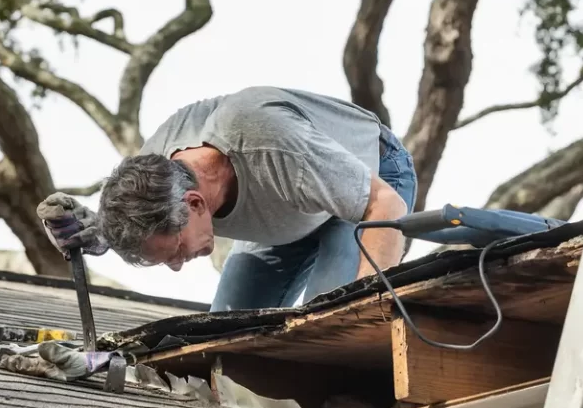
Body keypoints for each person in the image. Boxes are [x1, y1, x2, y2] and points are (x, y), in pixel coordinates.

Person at [36, 86, 418, 312]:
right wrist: (92, 233)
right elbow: (135, 227)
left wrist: (368, 317)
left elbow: (384, 205)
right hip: (288, 202)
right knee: (223, 335)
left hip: (370, 178)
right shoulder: (152, 176)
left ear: (195, 203)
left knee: (332, 313)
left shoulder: (271, 145)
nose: (178, 267)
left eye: (177, 251)